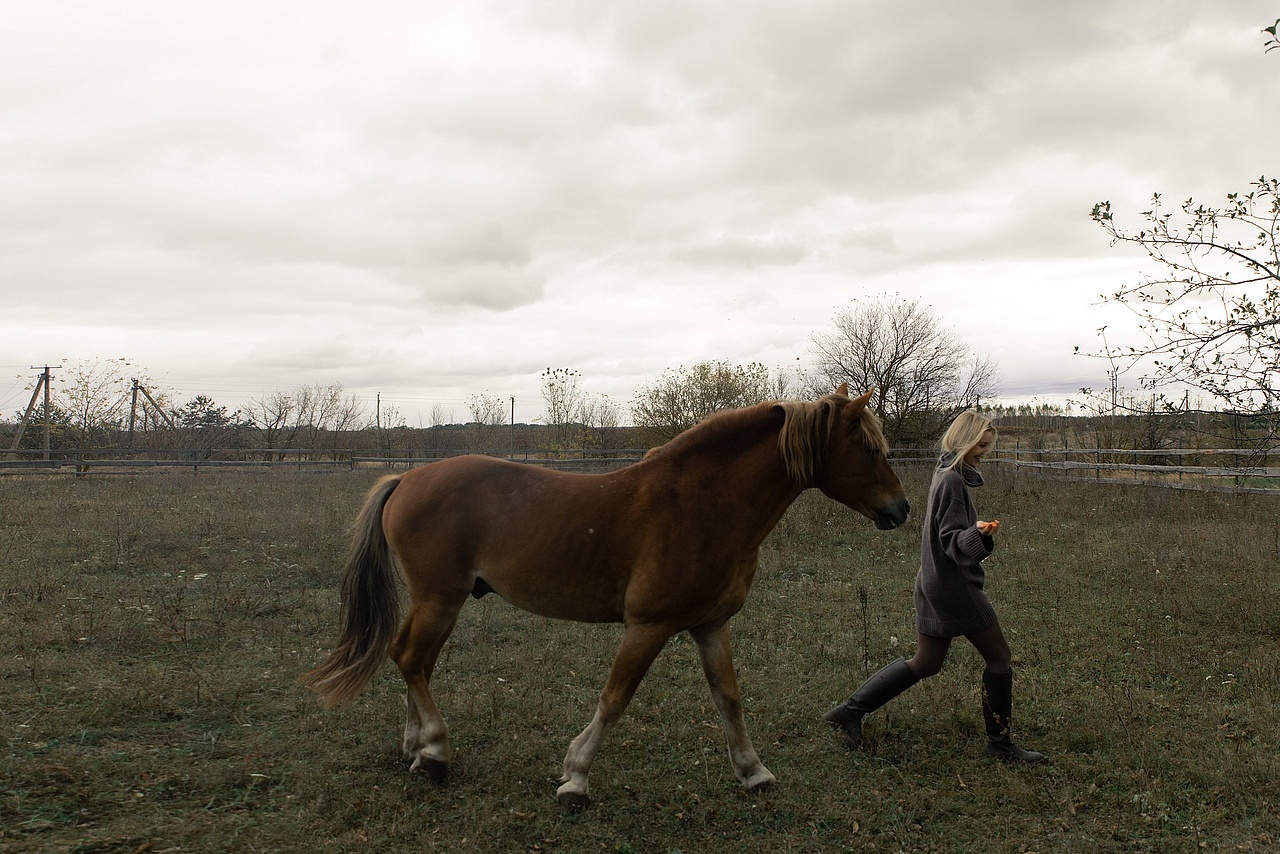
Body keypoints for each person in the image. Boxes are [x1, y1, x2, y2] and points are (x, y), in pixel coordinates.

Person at [823, 410, 1046, 763]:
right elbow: (953, 542)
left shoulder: (943, 473)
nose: (984, 451)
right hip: (955, 589)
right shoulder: (954, 482)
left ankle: (848, 712)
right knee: (1000, 658)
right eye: (980, 445)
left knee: (926, 662)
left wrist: (975, 533)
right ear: (965, 440)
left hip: (932, 583)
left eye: (988, 446)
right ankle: (1000, 747)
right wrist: (979, 534)